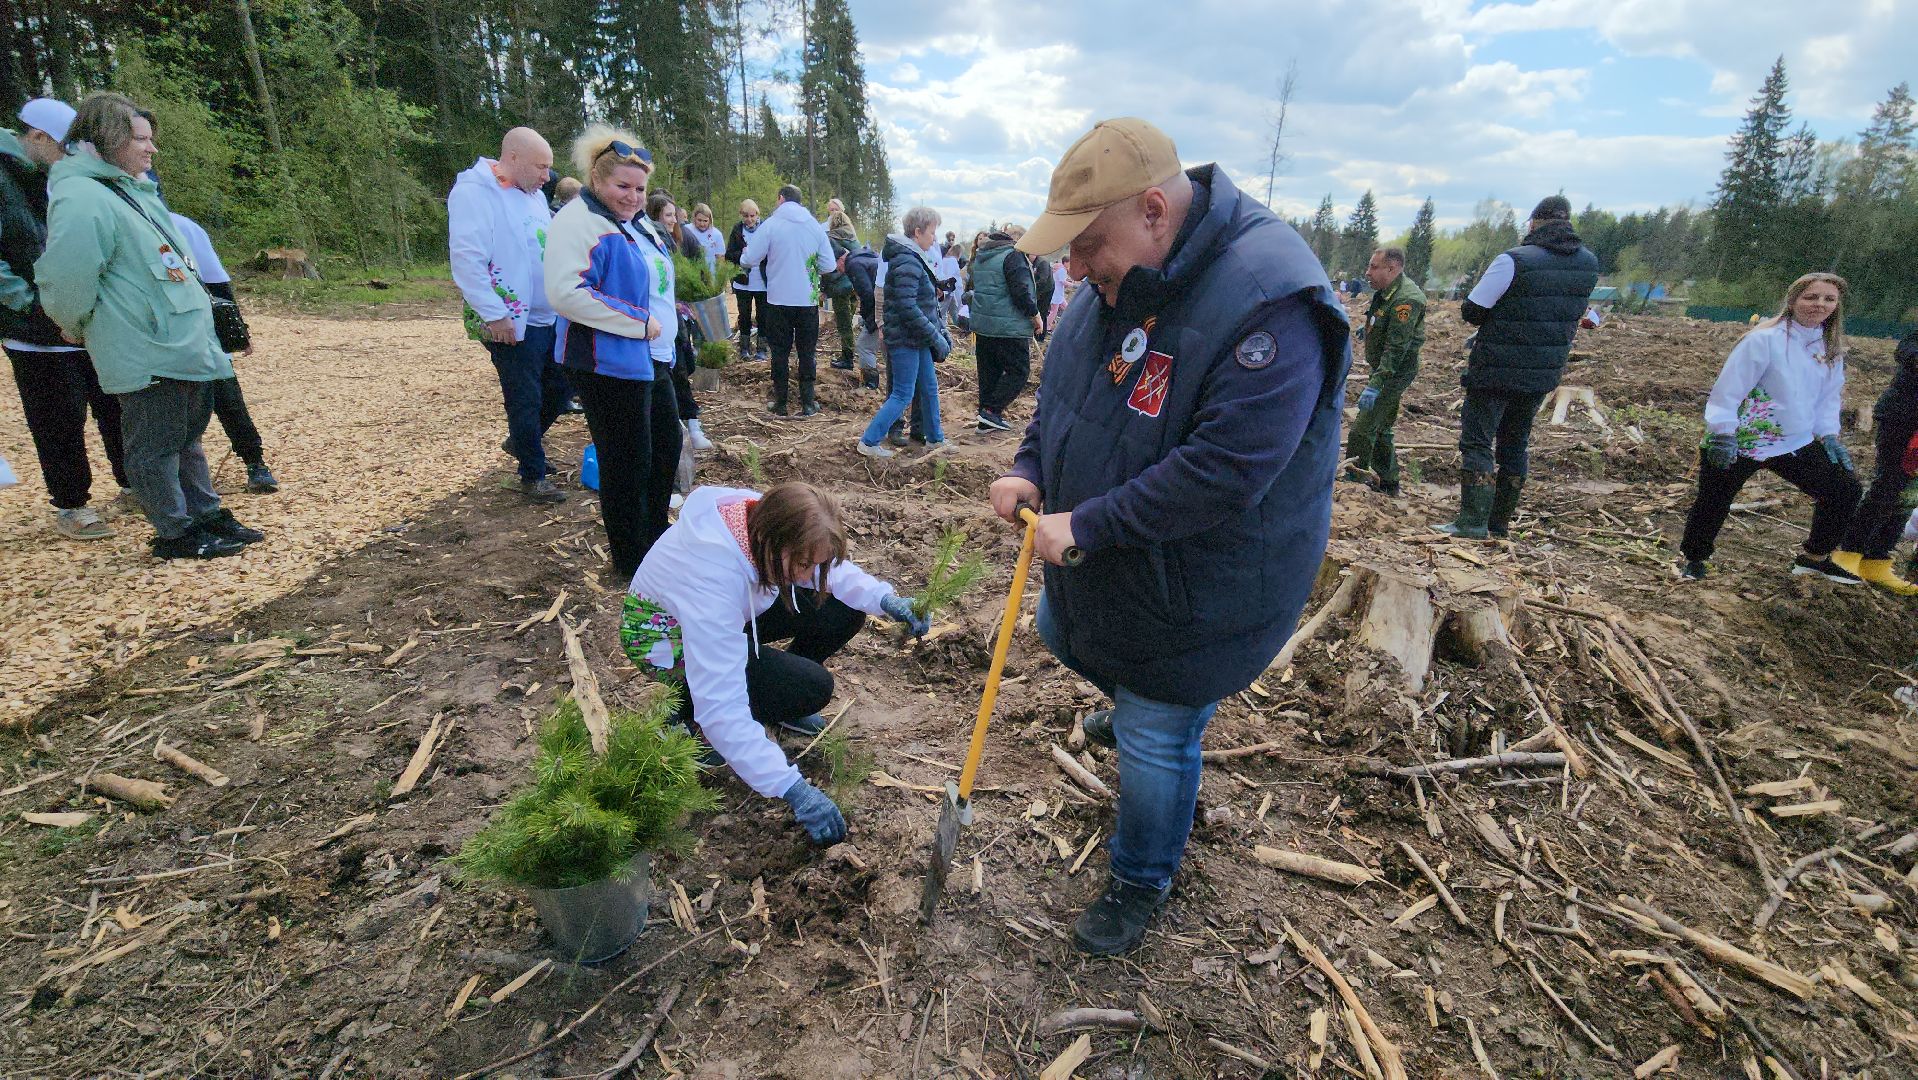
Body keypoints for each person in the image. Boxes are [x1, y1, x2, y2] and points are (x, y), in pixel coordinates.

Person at [989, 118, 1350, 956]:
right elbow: (1064, 398)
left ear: (1155, 210)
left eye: (1086, 246)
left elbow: (1226, 468)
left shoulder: (1272, 300)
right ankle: (1140, 712)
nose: (1072, 270)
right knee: (1062, 636)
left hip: (1204, 583)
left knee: (1157, 730)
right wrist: (1030, 465)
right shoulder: (1115, 282)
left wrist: (1094, 524)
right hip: (1115, 565)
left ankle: (1141, 877)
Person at [622, 482, 928, 844]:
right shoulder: (712, 581)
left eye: (814, 564)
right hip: (664, 642)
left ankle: (775, 696)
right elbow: (722, 706)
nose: (807, 574)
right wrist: (791, 788)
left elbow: (826, 568)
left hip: (723, 611)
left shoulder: (760, 518)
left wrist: (884, 599)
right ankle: (686, 711)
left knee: (843, 606)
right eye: (802, 564)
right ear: (771, 542)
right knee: (812, 688)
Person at [36, 92, 261, 560]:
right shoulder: (82, 198)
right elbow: (67, 276)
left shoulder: (129, 188)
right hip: (145, 345)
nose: (151, 149)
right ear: (108, 140)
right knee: (154, 443)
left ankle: (205, 514)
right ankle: (174, 531)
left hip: (178, 339)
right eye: (141, 139)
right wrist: (71, 322)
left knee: (186, 437)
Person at [544, 126, 677, 580]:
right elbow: (566, 293)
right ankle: (631, 560)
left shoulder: (626, 222)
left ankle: (656, 541)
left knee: (663, 449)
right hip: (603, 363)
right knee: (626, 464)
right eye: (623, 186)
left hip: (645, 358)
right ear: (597, 180)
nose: (633, 196)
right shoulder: (577, 221)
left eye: (639, 189)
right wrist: (637, 322)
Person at [1677, 273, 1863, 583]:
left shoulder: (1830, 349)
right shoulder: (1764, 339)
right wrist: (1722, 431)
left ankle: (1813, 559)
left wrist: (1829, 434)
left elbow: (1828, 398)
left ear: (1837, 305)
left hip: (1792, 441)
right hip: (1740, 437)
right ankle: (1694, 560)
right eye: (1811, 297)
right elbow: (1729, 390)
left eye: (1829, 299)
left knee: (1844, 489)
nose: (1819, 304)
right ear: (1793, 300)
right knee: (1713, 500)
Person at [1436, 195, 1599, 539]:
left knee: (1478, 442)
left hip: (1496, 369)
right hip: (1543, 373)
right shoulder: (1588, 264)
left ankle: (1473, 522)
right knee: (1515, 443)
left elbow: (1473, 310)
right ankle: (1499, 524)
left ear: (1534, 223)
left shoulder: (1514, 260)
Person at [2, 96, 128, 540]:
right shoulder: (7, 178)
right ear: (37, 137)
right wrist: (31, 306)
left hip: (85, 317)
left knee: (114, 406)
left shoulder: (53, 176)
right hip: (33, 328)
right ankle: (72, 505)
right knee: (57, 419)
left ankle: (132, 484)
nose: (68, 158)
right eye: (62, 147)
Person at [449, 126, 569, 504]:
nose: (547, 176)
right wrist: (494, 313)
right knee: (524, 396)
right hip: (509, 321)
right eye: (541, 167)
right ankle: (532, 475)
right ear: (513, 158)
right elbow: (467, 259)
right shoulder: (475, 192)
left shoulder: (532, 195)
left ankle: (522, 442)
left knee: (563, 386)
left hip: (547, 315)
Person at [160, 205, 279, 494]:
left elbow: (217, 282)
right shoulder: (119, 222)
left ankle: (255, 462)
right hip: (158, 341)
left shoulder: (182, 226)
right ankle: (168, 480)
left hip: (203, 333)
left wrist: (238, 332)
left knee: (228, 401)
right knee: (165, 413)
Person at [857, 207, 950, 459]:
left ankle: (935, 439)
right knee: (902, 393)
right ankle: (869, 441)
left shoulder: (913, 257)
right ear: (917, 232)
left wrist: (935, 332)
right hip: (906, 339)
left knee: (929, 387)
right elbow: (907, 306)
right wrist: (935, 335)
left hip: (916, 338)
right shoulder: (907, 260)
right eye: (932, 232)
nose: (934, 238)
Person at [1832, 327, 1918, 593]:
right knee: (1888, 486)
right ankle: (1848, 555)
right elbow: (1907, 349)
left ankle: (1877, 561)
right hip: (1904, 419)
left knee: (1909, 495)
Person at [739, 185, 836, 417]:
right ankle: (808, 403)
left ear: (780, 199)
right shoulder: (814, 226)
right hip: (807, 299)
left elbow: (751, 258)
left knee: (780, 352)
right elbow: (829, 265)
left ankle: (781, 402)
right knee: (807, 352)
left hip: (778, 299)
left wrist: (745, 256)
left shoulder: (771, 225)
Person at [1343, 246, 1426, 497]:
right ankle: (1389, 482)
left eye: (1374, 267)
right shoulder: (1387, 291)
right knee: (1382, 427)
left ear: (1392, 268)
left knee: (1362, 427)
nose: (1367, 273)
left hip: (1393, 371)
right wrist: (1370, 326)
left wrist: (1376, 384)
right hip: (1384, 368)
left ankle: (1354, 481)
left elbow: (1396, 348)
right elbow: (1382, 318)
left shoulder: (1405, 299)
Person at [644, 192, 714, 454]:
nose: (674, 220)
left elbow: (698, 265)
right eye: (668, 215)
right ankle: (675, 429)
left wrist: (698, 293)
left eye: (675, 215)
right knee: (668, 377)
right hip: (658, 322)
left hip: (678, 320)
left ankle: (693, 425)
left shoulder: (683, 237)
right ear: (655, 217)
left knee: (683, 371)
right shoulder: (651, 239)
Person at [966, 223, 1040, 432]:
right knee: (1019, 371)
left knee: (989, 371)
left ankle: (986, 419)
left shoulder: (983, 254)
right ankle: (991, 410)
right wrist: (1035, 315)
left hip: (983, 324)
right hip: (1008, 326)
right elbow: (1021, 291)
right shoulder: (1012, 256)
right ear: (1019, 240)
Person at [724, 199, 768, 362]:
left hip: (762, 280)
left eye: (752, 216)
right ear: (741, 216)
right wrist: (742, 255)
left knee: (763, 315)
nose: (749, 219)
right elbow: (729, 254)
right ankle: (744, 347)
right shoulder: (737, 230)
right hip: (743, 280)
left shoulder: (765, 229)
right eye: (745, 216)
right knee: (744, 315)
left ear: (757, 215)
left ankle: (762, 348)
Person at [824, 210, 861, 373]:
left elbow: (828, 265)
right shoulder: (854, 239)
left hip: (841, 287)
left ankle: (847, 358)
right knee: (849, 323)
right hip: (855, 285)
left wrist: (825, 288)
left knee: (844, 324)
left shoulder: (831, 239)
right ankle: (849, 353)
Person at [843, 232, 882, 391]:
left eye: (837, 268)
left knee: (864, 345)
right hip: (886, 305)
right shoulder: (867, 258)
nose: (839, 272)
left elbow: (867, 294)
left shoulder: (854, 265)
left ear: (841, 260)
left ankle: (870, 385)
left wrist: (869, 319)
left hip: (880, 307)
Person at [686, 202, 724, 279]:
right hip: (691, 274)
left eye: (705, 221)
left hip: (711, 276)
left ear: (710, 220)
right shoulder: (687, 230)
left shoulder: (717, 234)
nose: (702, 224)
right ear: (694, 218)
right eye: (699, 220)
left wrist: (720, 278)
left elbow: (720, 258)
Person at [1032, 249, 1056, 340]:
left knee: (1042, 311)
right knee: (1037, 311)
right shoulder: (1034, 263)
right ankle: (1036, 332)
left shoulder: (1042, 263)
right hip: (1039, 290)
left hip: (1046, 290)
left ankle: (1040, 336)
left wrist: (1033, 287)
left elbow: (1043, 280)